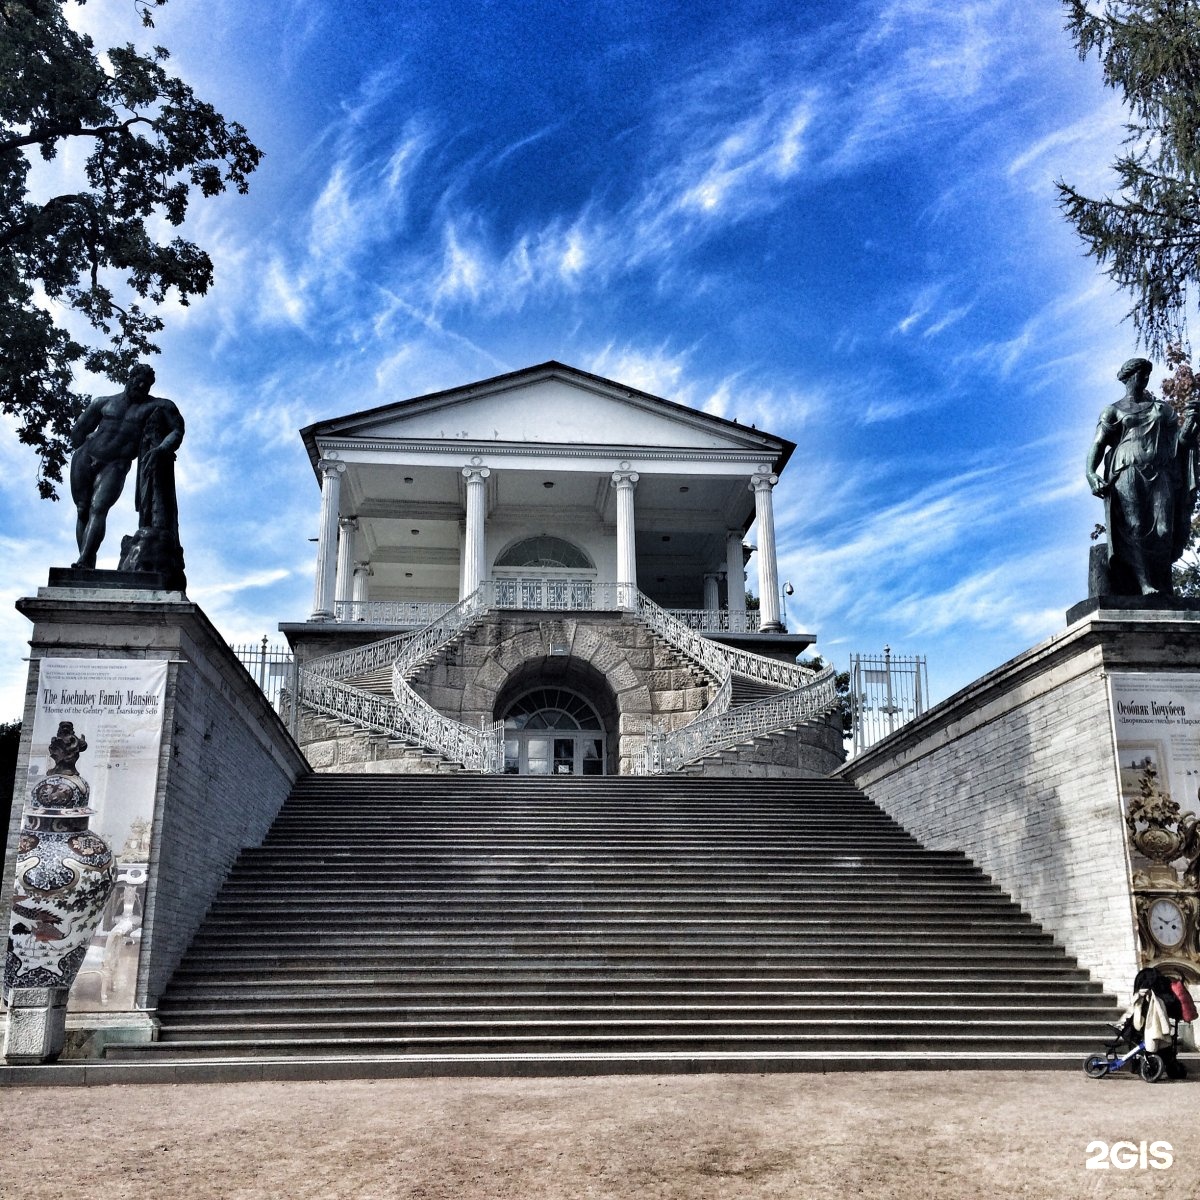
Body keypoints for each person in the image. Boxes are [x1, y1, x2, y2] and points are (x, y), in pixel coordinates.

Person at [1085, 357, 1199, 595]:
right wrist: (1090, 473)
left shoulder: (1161, 409)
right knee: (1134, 525)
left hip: (1160, 470)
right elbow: (1098, 444)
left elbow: (1180, 443)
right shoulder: (1114, 410)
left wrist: (1191, 421)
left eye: (1147, 374)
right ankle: (1144, 583)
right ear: (1129, 377)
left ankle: (1163, 582)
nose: (1145, 378)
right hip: (1126, 470)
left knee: (1164, 529)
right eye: (1141, 374)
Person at [69, 365, 185, 570]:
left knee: (99, 507)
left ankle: (84, 560)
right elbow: (78, 430)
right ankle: (87, 561)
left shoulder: (157, 406)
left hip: (116, 464)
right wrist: (85, 442)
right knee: (82, 510)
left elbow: (177, 429)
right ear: (128, 378)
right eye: (138, 380)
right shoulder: (103, 403)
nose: (141, 385)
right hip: (85, 457)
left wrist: (162, 448)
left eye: (147, 384)